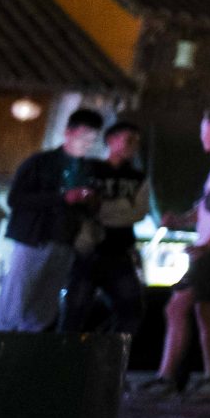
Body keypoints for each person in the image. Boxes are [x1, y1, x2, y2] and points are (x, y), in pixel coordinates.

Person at [134, 105, 210, 398]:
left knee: (176, 307)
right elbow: (208, 209)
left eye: (204, 129)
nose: (201, 135)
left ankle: (168, 378)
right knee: (206, 311)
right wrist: (181, 220)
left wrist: (207, 244)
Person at [0, 107, 105, 330]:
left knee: (44, 308)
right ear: (68, 132)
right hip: (34, 239)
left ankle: (27, 356)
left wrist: (90, 202)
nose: (87, 143)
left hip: (65, 241)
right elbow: (16, 198)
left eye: (92, 138)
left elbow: (91, 208)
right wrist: (63, 198)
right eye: (84, 136)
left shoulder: (88, 170)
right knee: (16, 303)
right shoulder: (41, 162)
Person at [67, 119, 152, 335]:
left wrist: (100, 209)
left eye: (136, 142)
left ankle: (103, 352)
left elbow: (139, 212)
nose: (133, 146)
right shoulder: (89, 169)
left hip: (119, 251)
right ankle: (68, 359)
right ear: (111, 141)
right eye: (129, 140)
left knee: (132, 312)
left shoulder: (138, 178)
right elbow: (78, 205)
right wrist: (121, 209)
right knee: (74, 314)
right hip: (87, 250)